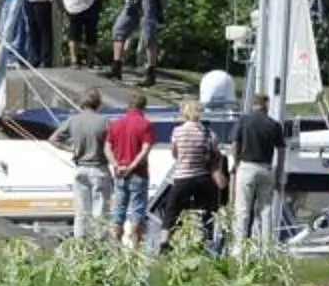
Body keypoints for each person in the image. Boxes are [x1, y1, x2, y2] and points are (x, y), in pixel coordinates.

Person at [153, 101, 226, 251]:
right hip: (202, 178)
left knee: (171, 211)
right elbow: (215, 154)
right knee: (206, 211)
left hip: (182, 178)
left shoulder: (177, 132)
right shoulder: (209, 133)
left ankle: (164, 244)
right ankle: (205, 241)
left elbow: (174, 154)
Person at [52, 89, 114, 239]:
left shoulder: (73, 120)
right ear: (98, 103)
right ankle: (99, 245)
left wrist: (70, 148)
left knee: (81, 212)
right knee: (99, 211)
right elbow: (112, 145)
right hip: (99, 168)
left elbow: (53, 139)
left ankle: (80, 244)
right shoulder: (105, 121)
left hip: (80, 168)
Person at [229, 91, 287, 249]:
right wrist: (279, 175)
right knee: (265, 209)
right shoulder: (274, 124)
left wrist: (235, 162)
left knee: (242, 209)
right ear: (265, 105)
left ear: (253, 104)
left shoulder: (244, 121)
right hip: (266, 168)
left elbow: (234, 144)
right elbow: (282, 150)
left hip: (246, 166)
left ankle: (239, 247)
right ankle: (265, 247)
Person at [107, 91, 158, 245]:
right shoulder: (146, 124)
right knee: (137, 212)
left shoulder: (116, 123)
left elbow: (107, 147)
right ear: (144, 107)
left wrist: (115, 164)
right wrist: (132, 166)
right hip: (138, 173)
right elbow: (146, 149)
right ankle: (135, 249)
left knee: (118, 211)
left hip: (119, 173)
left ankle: (115, 248)